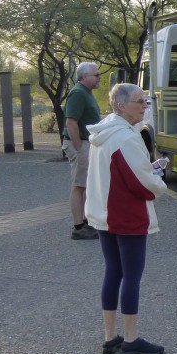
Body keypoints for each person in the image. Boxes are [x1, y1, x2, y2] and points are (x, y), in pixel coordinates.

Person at [85, 83, 168, 354]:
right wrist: (159, 182)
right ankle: (131, 338)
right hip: (126, 213)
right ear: (121, 105)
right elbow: (140, 182)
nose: (145, 105)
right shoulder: (127, 138)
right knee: (132, 275)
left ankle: (110, 336)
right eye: (139, 101)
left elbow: (120, 170)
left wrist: (148, 171)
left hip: (103, 211)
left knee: (113, 271)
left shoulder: (105, 130)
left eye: (145, 101)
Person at [63, 62, 103, 240]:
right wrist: (79, 147)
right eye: (96, 75)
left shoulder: (85, 92)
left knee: (86, 184)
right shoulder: (78, 93)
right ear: (84, 76)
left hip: (86, 144)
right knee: (79, 185)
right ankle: (79, 227)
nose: (99, 77)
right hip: (80, 144)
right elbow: (71, 122)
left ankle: (86, 222)